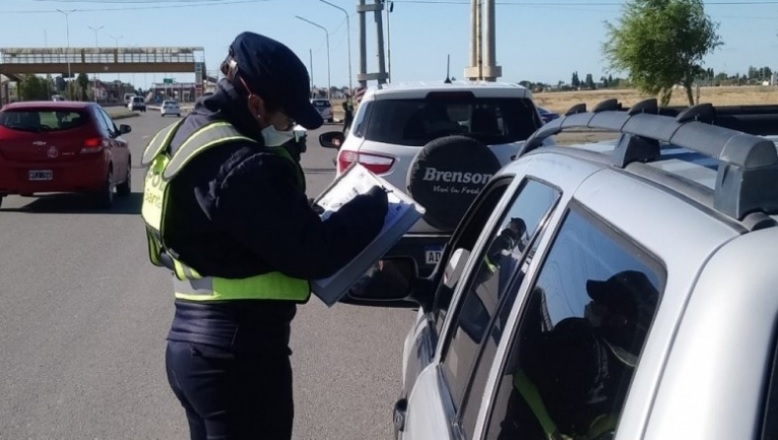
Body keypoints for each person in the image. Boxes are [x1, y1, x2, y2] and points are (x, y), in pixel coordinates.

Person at [140, 31, 388, 440]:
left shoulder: (191, 134)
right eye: (285, 118)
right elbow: (312, 251)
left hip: (193, 346)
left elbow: (239, 229)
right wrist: (373, 206)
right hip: (238, 359)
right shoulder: (241, 164)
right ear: (254, 104)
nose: (289, 128)